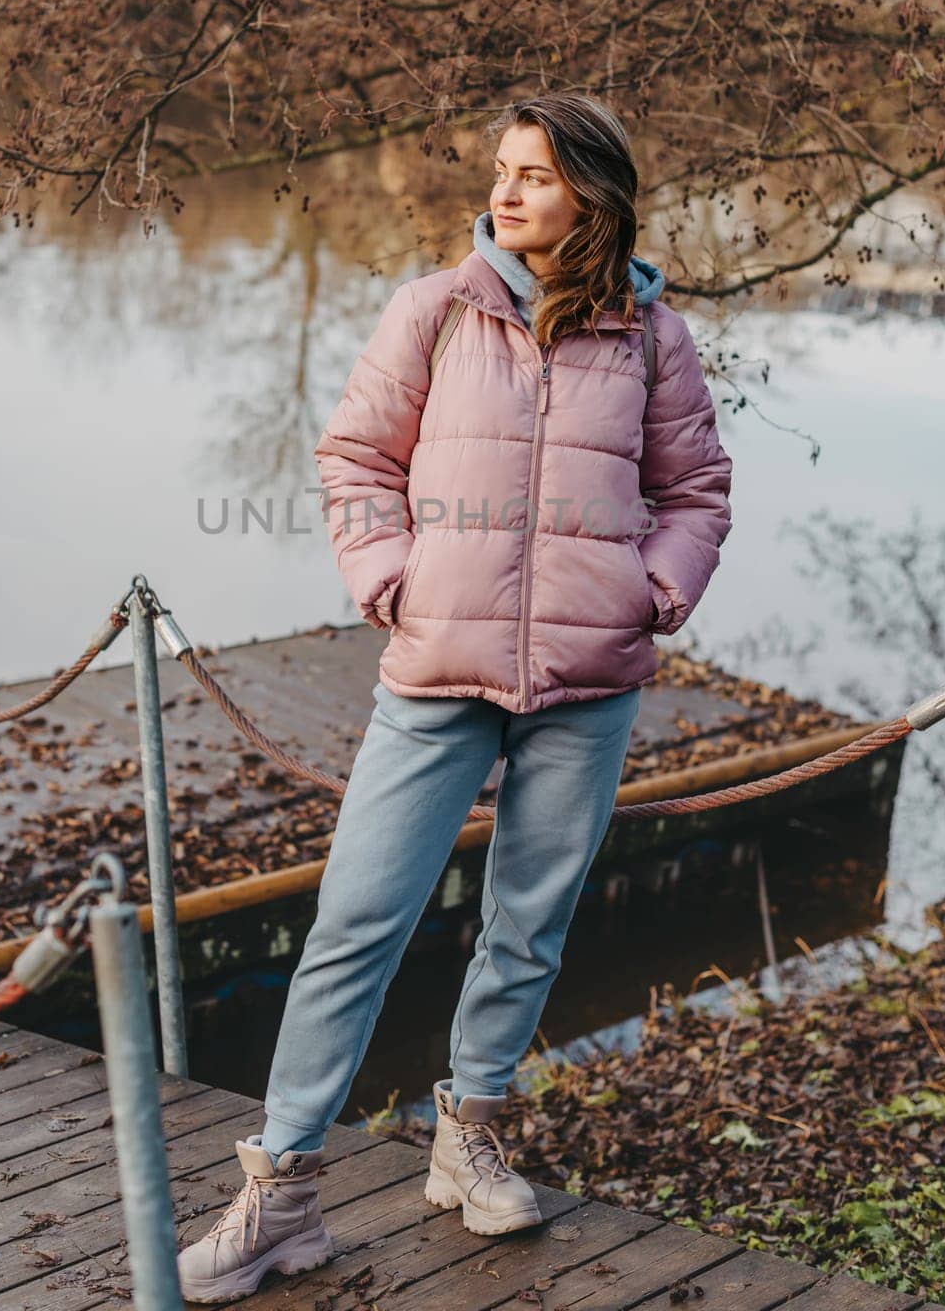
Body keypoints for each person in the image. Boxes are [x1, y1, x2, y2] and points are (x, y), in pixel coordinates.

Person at [176, 91, 734, 1303]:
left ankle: (468, 1132)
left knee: (527, 924)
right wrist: (391, 579)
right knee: (355, 923)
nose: (506, 191)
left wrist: (655, 591)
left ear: (591, 190)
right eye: (500, 170)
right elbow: (356, 459)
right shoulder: (433, 311)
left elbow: (696, 490)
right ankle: (283, 1189)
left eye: (534, 173)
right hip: (438, 670)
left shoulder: (653, 338)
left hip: (589, 683)